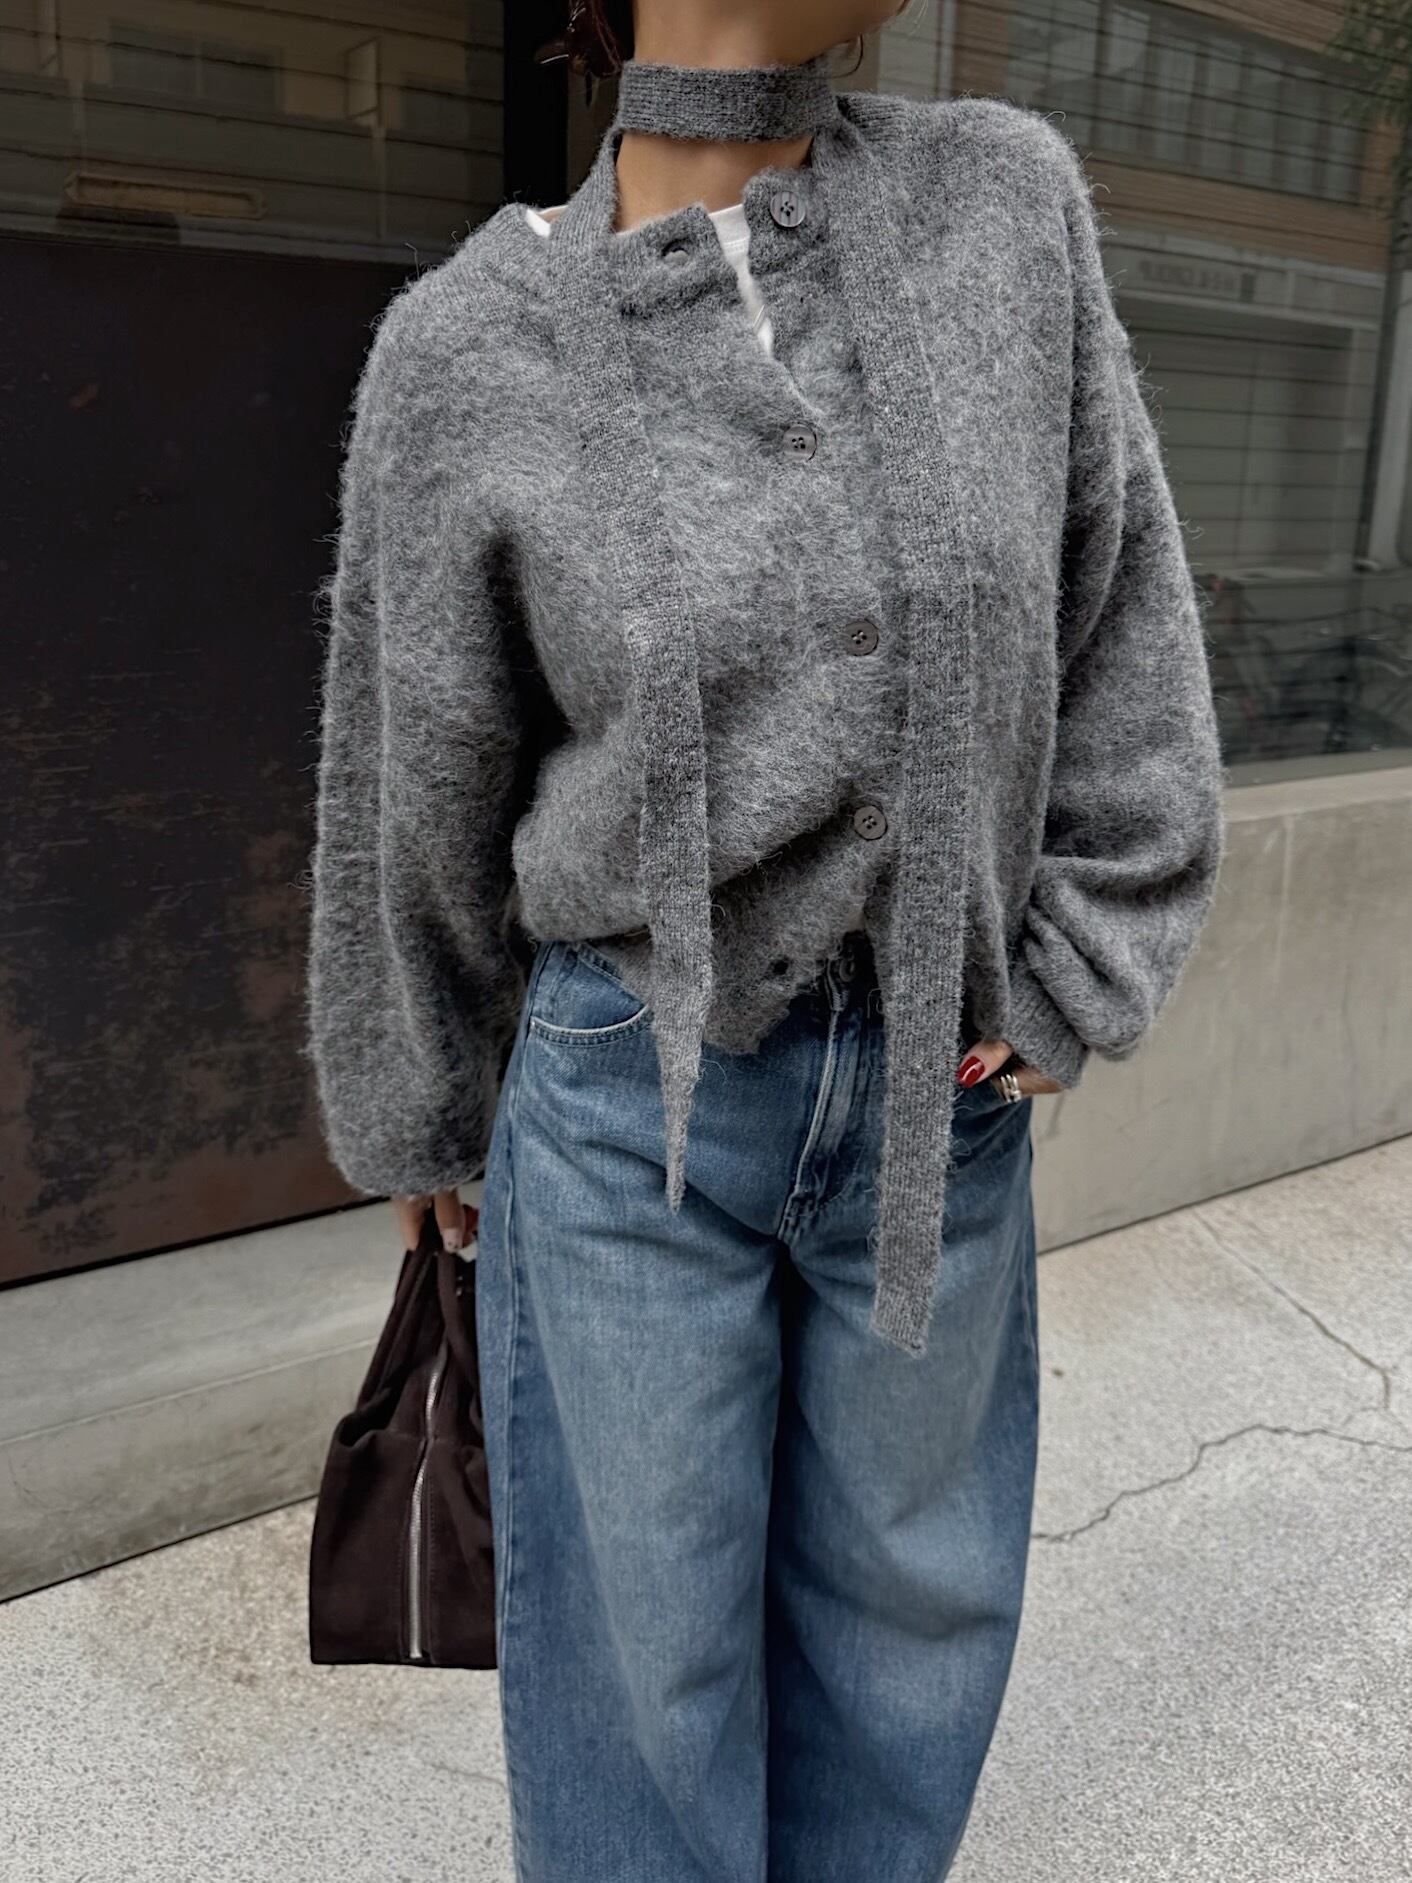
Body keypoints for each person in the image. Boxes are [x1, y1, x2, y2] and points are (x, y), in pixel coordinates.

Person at [305, 1, 1226, 1875]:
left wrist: (1079, 959)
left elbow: (1121, 606)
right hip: (620, 1112)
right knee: (640, 1690)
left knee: (911, 1653)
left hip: (944, 1102)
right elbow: (413, 772)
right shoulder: (469, 349)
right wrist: (424, 1108)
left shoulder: (1003, 209)